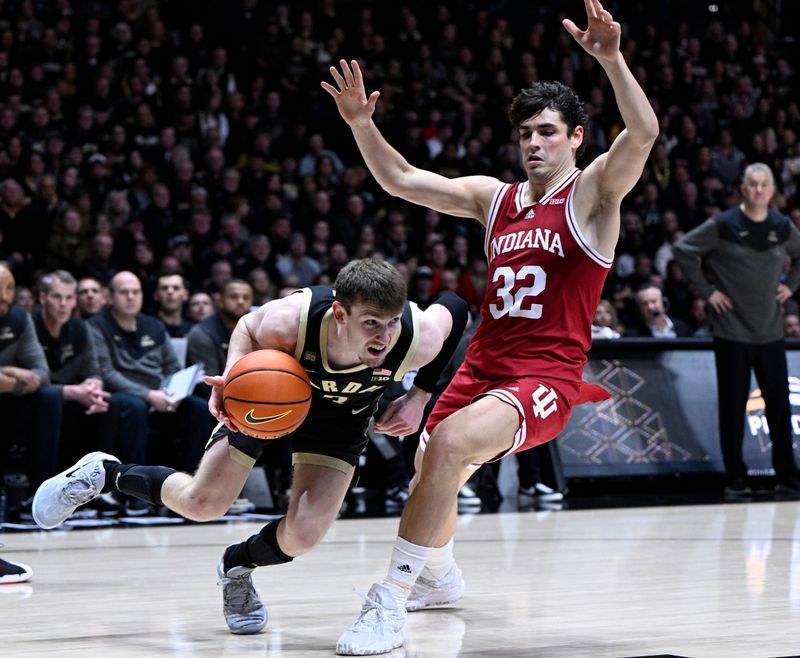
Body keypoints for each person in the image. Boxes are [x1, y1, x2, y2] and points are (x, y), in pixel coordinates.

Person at [321, 0, 659, 653]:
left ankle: (388, 600)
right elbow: (401, 180)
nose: (534, 142)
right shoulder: (494, 198)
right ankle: (439, 578)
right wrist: (363, 124)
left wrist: (611, 58)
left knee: (445, 445)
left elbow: (641, 134)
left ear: (576, 138)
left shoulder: (592, 195)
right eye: (526, 133)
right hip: (483, 365)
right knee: (429, 463)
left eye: (548, 132)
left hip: (544, 377)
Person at [31, 258, 469, 638]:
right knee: (203, 504)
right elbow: (244, 324)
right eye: (370, 322)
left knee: (303, 535)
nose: (384, 336)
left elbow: (456, 306)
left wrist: (420, 397)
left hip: (340, 420)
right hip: (273, 394)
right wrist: (231, 376)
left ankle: (236, 565)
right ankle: (106, 473)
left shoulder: (417, 336)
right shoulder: (291, 320)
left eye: (392, 322)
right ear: (339, 313)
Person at [673, 163, 800, 497]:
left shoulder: (782, 226)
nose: (758, 190)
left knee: (779, 407)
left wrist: (791, 288)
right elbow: (683, 251)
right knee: (732, 408)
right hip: (731, 333)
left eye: (764, 185)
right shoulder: (723, 224)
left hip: (771, 332)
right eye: (752, 185)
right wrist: (708, 292)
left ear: (773, 191)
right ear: (743, 189)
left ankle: (787, 475)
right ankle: (735, 477)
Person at [87, 271, 212, 482]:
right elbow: (107, 373)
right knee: (134, 406)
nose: (130, 297)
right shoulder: (97, 325)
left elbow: (173, 367)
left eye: (135, 292)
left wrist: (174, 394)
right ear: (110, 296)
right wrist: (148, 395)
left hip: (160, 394)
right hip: (123, 395)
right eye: (124, 292)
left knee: (198, 408)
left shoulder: (154, 326)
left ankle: (191, 484)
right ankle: (133, 487)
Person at [32, 270, 115, 471]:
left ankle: (101, 488)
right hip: (33, 399)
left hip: (74, 399)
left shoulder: (81, 328)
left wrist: (93, 388)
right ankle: (40, 488)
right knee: (49, 398)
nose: (63, 304)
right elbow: (32, 379)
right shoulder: (29, 325)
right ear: (43, 298)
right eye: (57, 297)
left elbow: (93, 370)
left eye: (69, 298)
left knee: (111, 404)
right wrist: (71, 392)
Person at [0, 262, 61, 520]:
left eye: (10, 288)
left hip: (12, 399)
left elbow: (41, 373)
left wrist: (11, 381)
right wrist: (15, 372)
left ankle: (39, 494)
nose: (4, 296)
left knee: (49, 397)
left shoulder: (19, 318)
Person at [153, 273, 193, 338]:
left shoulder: (192, 331)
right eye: (164, 288)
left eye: (176, 288)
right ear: (156, 295)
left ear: (186, 295)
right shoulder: (147, 327)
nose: (170, 291)